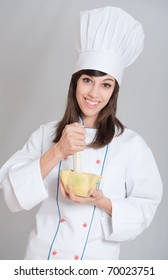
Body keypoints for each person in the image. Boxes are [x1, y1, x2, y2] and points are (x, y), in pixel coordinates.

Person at [0, 6, 163, 260]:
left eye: (105, 85)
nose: (94, 94)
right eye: (87, 80)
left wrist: (101, 201)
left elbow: (146, 205)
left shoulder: (131, 145)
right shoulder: (46, 135)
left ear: (113, 91)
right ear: (75, 81)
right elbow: (10, 193)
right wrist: (58, 151)